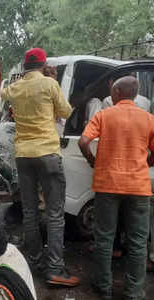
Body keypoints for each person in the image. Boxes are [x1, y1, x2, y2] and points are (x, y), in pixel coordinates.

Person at [1, 48, 80, 287]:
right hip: (47, 152)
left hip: (23, 155)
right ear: (44, 65)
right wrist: (52, 80)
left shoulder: (14, 88)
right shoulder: (49, 84)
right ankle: (55, 269)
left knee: (30, 211)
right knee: (55, 214)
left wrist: (23, 79)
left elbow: (5, 92)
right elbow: (66, 111)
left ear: (25, 66)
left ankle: (35, 262)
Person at [78, 76, 153, 300]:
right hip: (138, 187)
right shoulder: (149, 119)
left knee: (104, 238)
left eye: (112, 90)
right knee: (138, 242)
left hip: (107, 185)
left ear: (118, 93)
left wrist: (92, 159)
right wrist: (147, 163)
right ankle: (134, 292)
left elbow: (83, 141)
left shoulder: (104, 114)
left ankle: (103, 287)